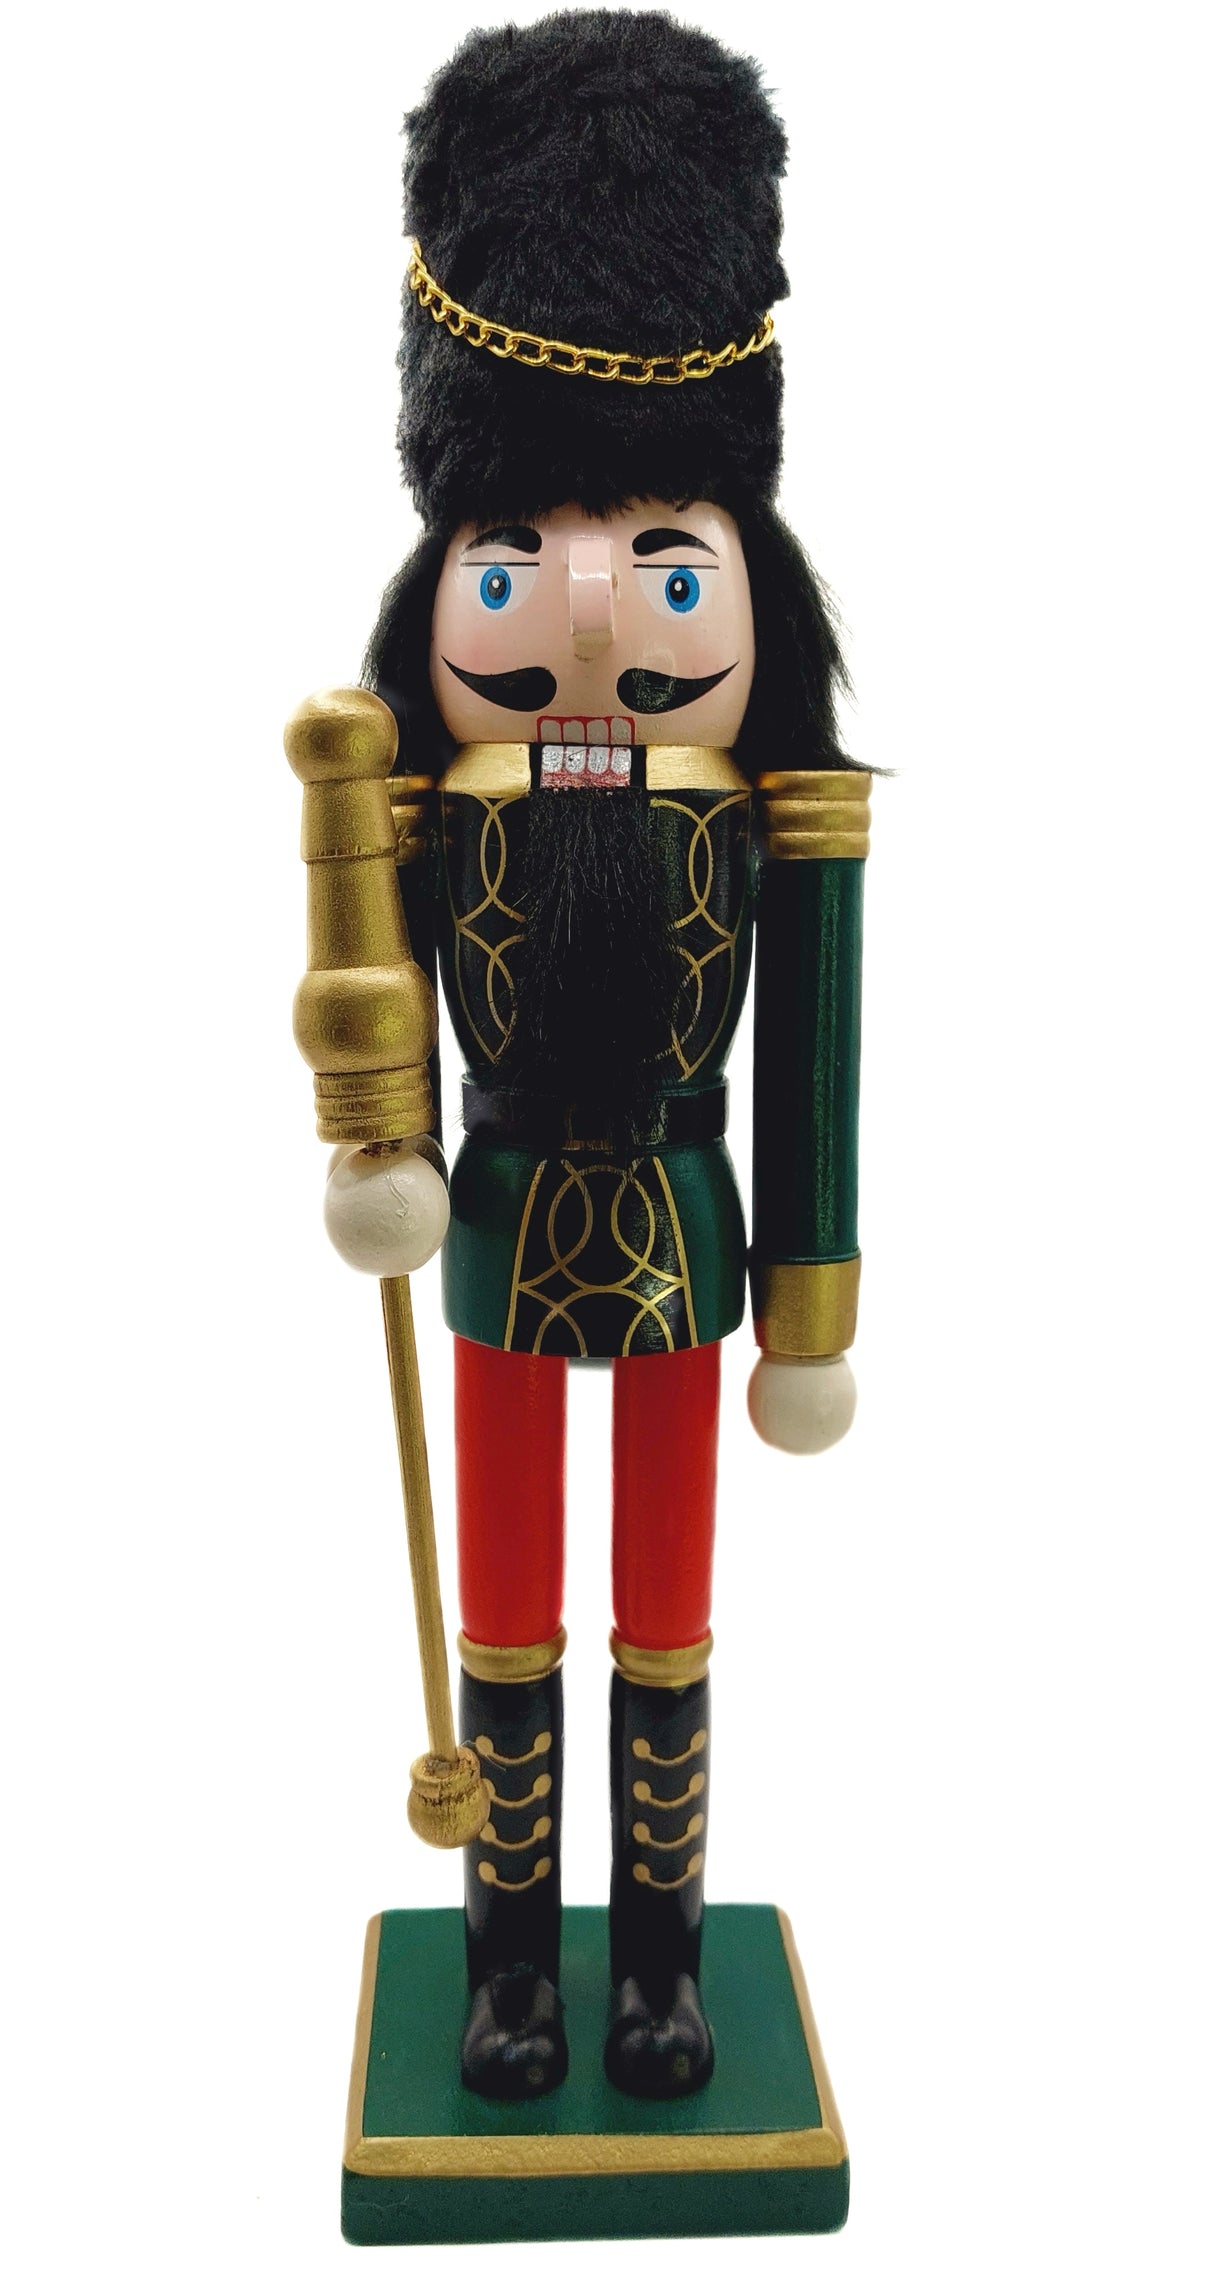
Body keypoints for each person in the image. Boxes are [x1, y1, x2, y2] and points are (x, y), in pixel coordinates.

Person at [316, 10, 872, 2102]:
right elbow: (361, 990)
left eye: (658, 557)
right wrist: (377, 1143)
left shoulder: (773, 813)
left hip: (681, 1223)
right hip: (493, 1218)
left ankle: (654, 1962)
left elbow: (816, 1050)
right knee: (504, 1603)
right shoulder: (418, 803)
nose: (579, 613)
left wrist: (809, 1302)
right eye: (515, 557)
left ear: (748, 579)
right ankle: (507, 1969)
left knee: (667, 1600)